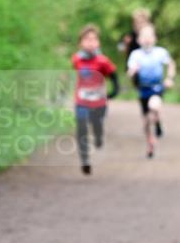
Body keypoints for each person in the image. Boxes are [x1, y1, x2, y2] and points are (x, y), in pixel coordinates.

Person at [71, 24, 119, 175]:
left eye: (93, 39)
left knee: (96, 125)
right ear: (80, 43)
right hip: (82, 100)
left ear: (98, 43)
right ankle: (85, 160)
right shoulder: (77, 59)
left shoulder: (103, 61)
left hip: (99, 101)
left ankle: (98, 136)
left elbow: (113, 75)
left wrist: (114, 91)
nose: (90, 42)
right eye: (86, 39)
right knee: (81, 128)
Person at [127, 23, 176, 157]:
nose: (147, 39)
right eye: (144, 36)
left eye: (150, 36)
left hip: (157, 88)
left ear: (155, 38)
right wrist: (133, 71)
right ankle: (150, 143)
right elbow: (130, 72)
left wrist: (170, 78)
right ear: (138, 40)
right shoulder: (135, 54)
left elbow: (171, 64)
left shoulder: (160, 52)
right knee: (146, 123)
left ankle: (158, 120)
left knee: (154, 105)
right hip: (143, 90)